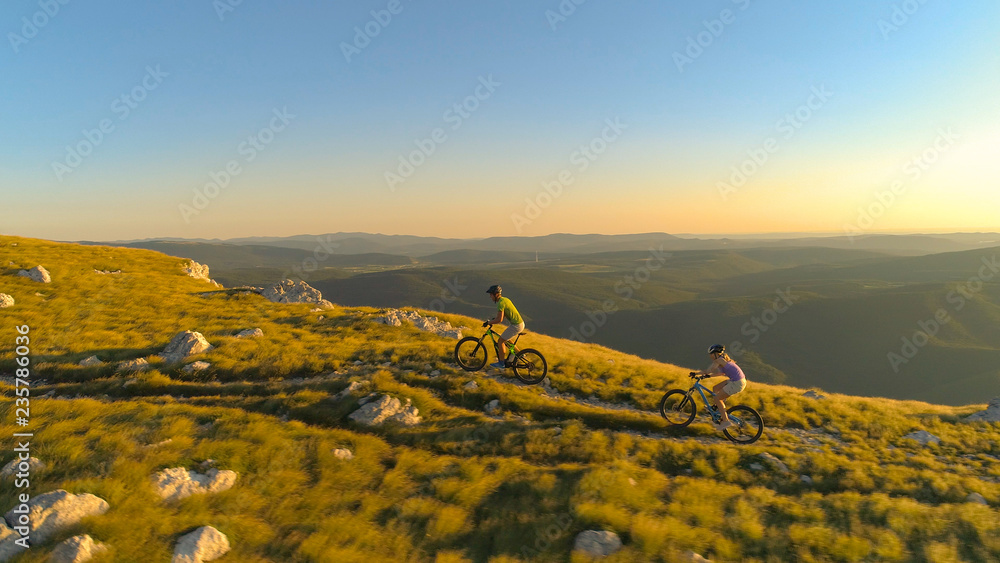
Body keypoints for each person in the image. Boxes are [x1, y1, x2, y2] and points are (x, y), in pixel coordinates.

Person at [697, 344, 747, 430]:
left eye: (711, 354)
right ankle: (716, 408)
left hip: (736, 383)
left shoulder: (719, 360)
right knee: (715, 388)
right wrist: (708, 376)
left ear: (716, 354)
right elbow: (721, 373)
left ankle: (725, 421)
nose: (710, 356)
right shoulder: (723, 360)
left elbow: (709, 370)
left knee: (717, 398)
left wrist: (696, 373)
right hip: (738, 381)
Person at [484, 285, 524, 369]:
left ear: (495, 294)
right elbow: (504, 314)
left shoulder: (500, 303)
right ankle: (520, 354)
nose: (490, 297)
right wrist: (494, 320)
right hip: (519, 324)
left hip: (516, 325)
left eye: (491, 294)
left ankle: (501, 363)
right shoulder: (505, 300)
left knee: (500, 341)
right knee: (507, 339)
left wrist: (488, 322)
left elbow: (500, 319)